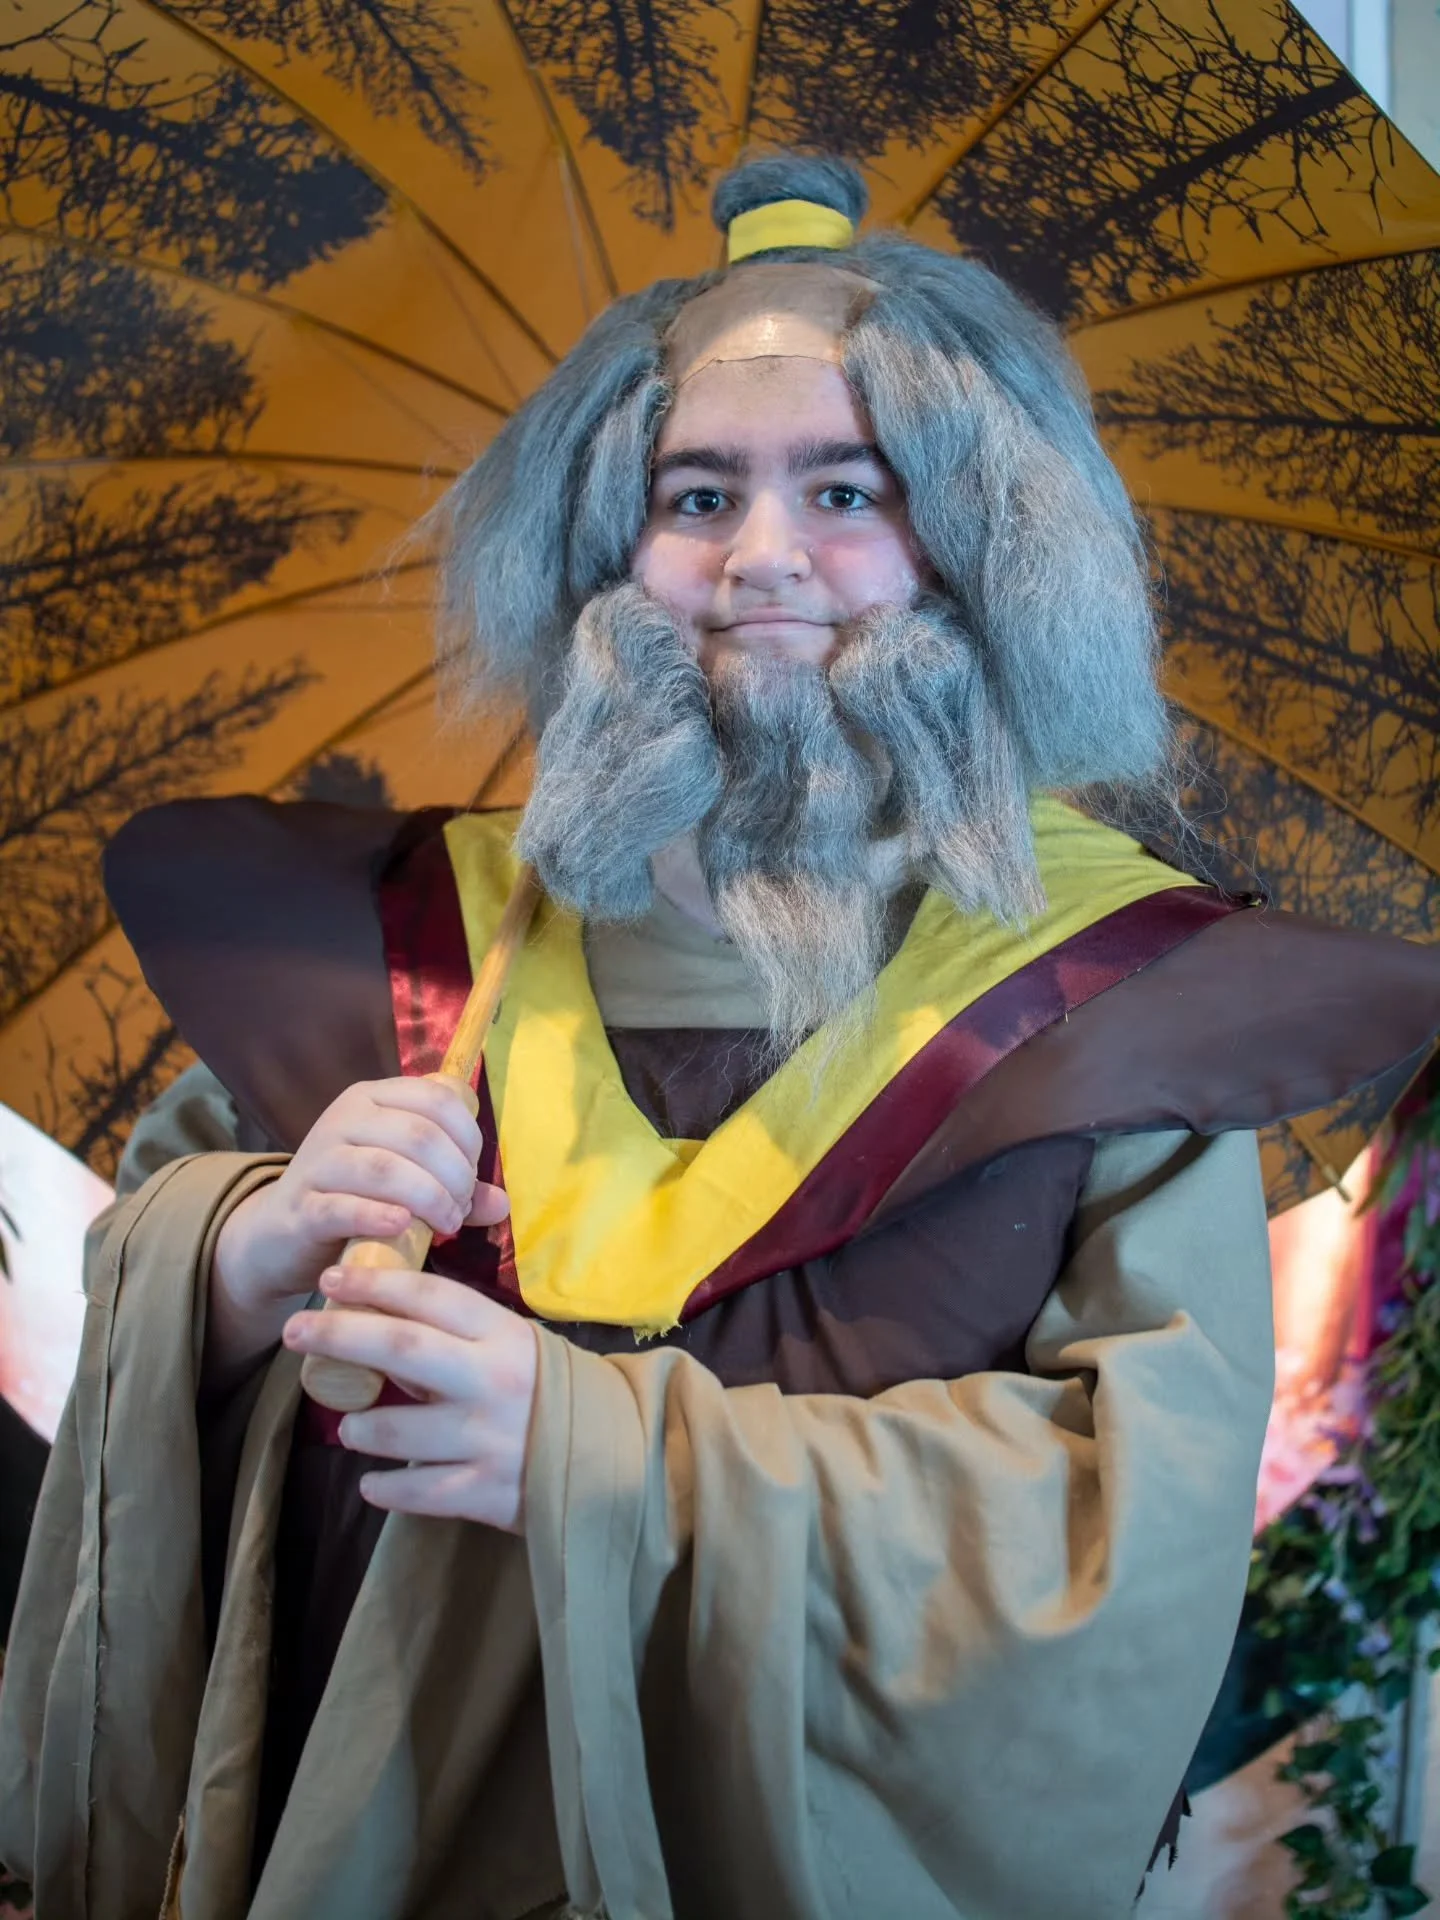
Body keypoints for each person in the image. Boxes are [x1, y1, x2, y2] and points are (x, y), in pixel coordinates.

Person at [3, 152, 1438, 1920]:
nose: (765, 561)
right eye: (696, 496)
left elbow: (1115, 1545)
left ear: (980, 549)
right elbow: (147, 1333)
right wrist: (232, 1259)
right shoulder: (401, 954)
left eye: (849, 488)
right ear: (609, 552)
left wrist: (593, 1456)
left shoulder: (1117, 1003)